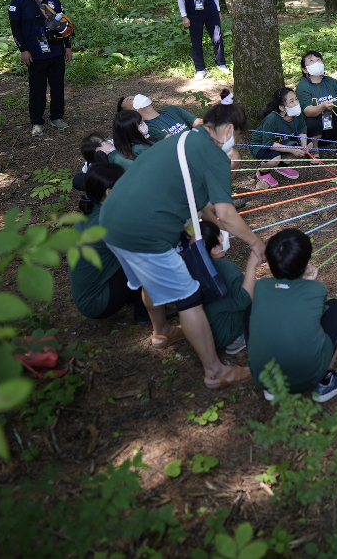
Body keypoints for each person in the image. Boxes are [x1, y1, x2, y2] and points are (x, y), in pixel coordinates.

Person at [98, 100, 267, 389]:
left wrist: (215, 225)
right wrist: (256, 243)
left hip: (112, 222)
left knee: (147, 280)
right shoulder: (212, 155)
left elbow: (199, 203)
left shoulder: (182, 139)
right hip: (145, 232)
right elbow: (226, 213)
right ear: (228, 130)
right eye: (237, 137)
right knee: (189, 296)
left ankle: (162, 331)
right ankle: (214, 371)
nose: (236, 143)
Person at [246, 228, 337, 402]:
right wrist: (307, 283)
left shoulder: (262, 287)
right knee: (336, 309)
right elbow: (305, 313)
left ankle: (272, 386)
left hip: (265, 379)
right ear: (306, 263)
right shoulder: (317, 290)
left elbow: (287, 304)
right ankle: (325, 380)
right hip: (308, 377)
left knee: (252, 311)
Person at [69, 163, 150, 325]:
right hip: (98, 302)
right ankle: (145, 313)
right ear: (109, 192)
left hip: (89, 295)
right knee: (147, 257)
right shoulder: (107, 221)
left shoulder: (92, 209)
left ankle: (132, 296)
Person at [9, 0, 72, 137]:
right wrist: (23, 50)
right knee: (37, 89)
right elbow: (15, 29)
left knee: (57, 86)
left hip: (56, 51)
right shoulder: (19, 1)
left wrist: (67, 46)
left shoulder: (54, 0)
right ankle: (37, 122)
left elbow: (64, 25)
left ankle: (57, 117)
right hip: (34, 53)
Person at [199, 221, 253, 354]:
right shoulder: (224, 267)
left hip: (205, 335)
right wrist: (252, 264)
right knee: (259, 291)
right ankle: (238, 338)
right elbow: (244, 299)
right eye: (219, 234)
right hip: (225, 334)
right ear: (215, 249)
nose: (224, 235)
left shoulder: (199, 266)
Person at [293, 51, 337, 158]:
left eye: (318, 59)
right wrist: (322, 107)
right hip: (313, 132)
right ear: (305, 70)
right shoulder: (303, 86)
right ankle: (314, 149)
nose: (316, 63)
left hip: (332, 128)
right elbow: (307, 111)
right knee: (310, 121)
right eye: (311, 61)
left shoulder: (331, 82)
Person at [177, 0, 228, 79]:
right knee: (196, 42)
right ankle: (200, 69)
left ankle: (221, 64)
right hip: (194, 15)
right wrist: (184, 16)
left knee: (217, 39)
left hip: (211, 12)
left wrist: (218, 11)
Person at [250, 88, 307, 187]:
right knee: (275, 159)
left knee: (308, 144)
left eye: (296, 99)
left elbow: (302, 129)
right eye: (291, 101)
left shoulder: (297, 114)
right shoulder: (271, 119)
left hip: (283, 141)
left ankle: (282, 166)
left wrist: (304, 145)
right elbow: (268, 143)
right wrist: (292, 149)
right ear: (282, 108)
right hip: (262, 145)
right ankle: (262, 172)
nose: (297, 103)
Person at [118, 94, 202, 141]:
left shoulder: (172, 109)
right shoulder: (146, 128)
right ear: (131, 112)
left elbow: (198, 122)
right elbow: (173, 141)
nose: (136, 98)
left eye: (135, 96)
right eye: (130, 100)